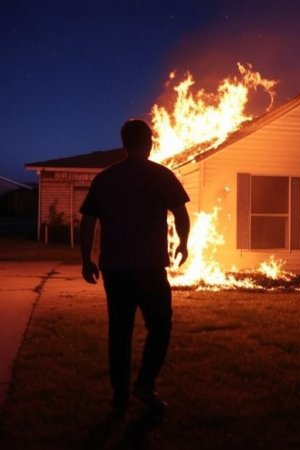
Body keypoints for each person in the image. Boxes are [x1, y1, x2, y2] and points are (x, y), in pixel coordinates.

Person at [79, 119, 190, 416]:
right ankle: (145, 383)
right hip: (151, 268)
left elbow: (88, 220)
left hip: (115, 269)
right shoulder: (161, 175)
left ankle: (120, 396)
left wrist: (86, 258)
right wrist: (183, 243)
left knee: (119, 331)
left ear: (124, 144)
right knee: (160, 326)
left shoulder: (105, 178)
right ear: (149, 142)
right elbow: (181, 213)